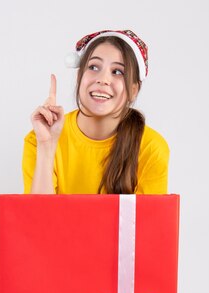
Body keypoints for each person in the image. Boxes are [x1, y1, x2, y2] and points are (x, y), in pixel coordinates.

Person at [22, 29, 169, 194]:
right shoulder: (39, 139)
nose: (103, 79)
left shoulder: (151, 148)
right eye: (93, 67)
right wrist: (47, 147)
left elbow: (149, 219)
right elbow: (39, 218)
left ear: (134, 90)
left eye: (118, 71)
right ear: (79, 77)